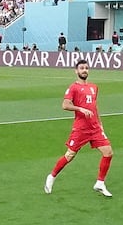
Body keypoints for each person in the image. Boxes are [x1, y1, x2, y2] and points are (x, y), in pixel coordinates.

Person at [44, 59, 115, 197]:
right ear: (76, 71)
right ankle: (51, 177)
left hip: (95, 128)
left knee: (108, 152)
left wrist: (100, 123)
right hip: (81, 129)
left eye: (86, 68)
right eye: (81, 68)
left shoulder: (94, 87)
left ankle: (100, 183)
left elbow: (95, 106)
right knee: (69, 155)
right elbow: (65, 105)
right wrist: (80, 109)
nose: (84, 70)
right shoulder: (73, 88)